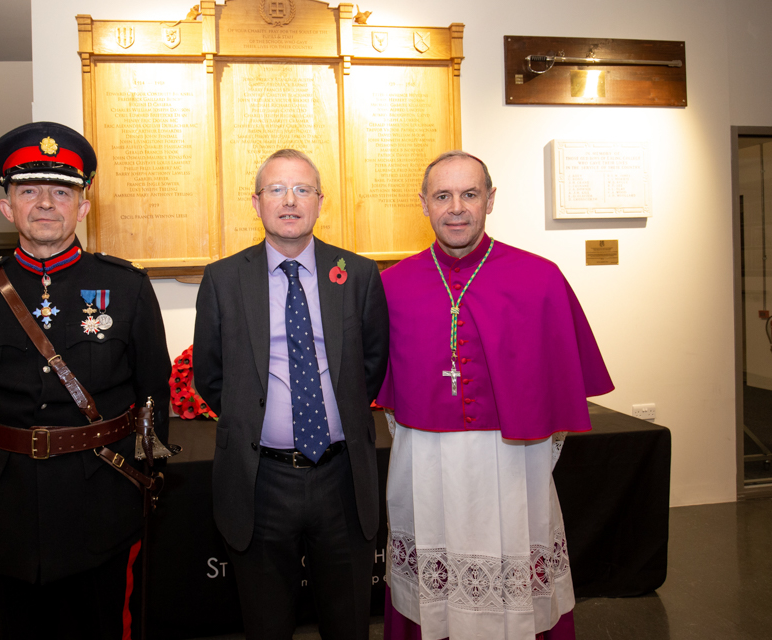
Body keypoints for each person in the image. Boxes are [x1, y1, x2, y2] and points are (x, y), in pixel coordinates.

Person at [0, 121, 171, 639]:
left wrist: (141, 476)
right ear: (8, 208)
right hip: (7, 501)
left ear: (83, 207)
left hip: (102, 496)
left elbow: (152, 393)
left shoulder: (126, 286)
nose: (45, 203)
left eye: (61, 191)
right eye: (29, 191)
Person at [378, 151, 614, 640]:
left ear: (490, 199)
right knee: (432, 579)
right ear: (423, 204)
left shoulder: (540, 278)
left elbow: (559, 396)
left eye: (470, 194)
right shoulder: (390, 286)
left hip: (512, 460)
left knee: (515, 567)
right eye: (443, 196)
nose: (457, 207)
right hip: (426, 461)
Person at [193, 149, 389, 640]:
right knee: (266, 624)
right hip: (261, 480)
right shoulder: (222, 279)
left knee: (348, 623)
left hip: (342, 478)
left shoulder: (359, 274)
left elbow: (372, 364)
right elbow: (211, 376)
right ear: (255, 202)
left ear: (320, 202)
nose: (289, 201)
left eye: (302, 189)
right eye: (276, 189)